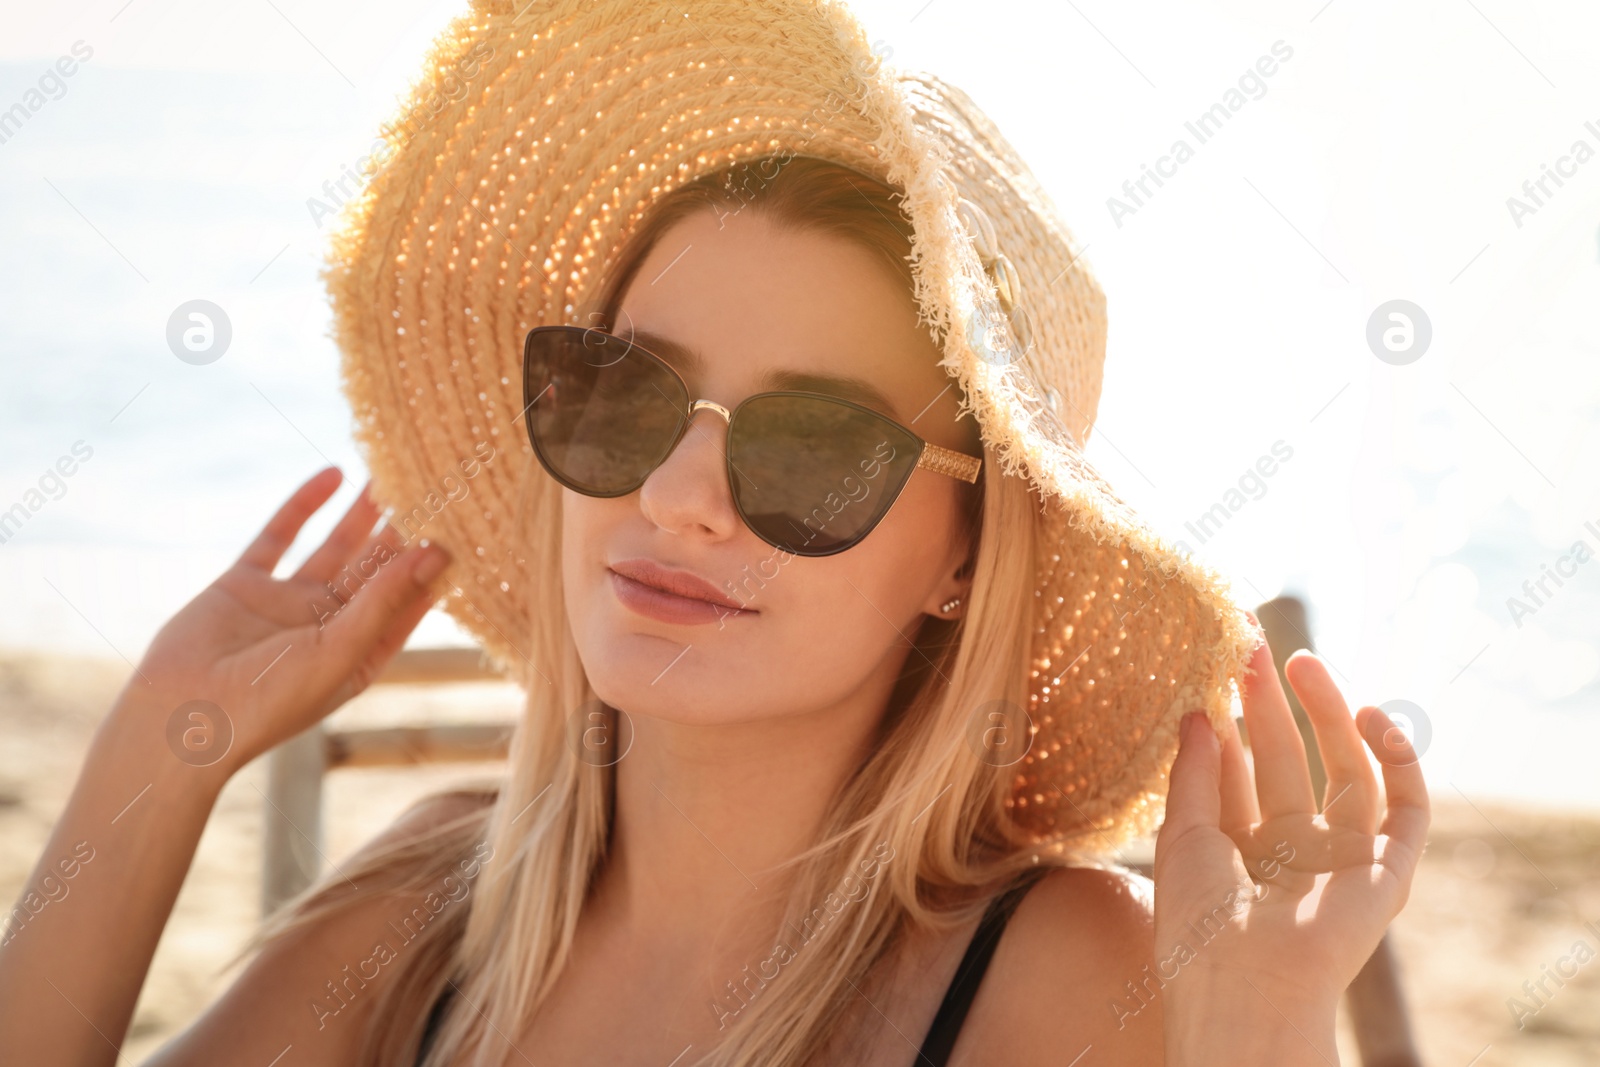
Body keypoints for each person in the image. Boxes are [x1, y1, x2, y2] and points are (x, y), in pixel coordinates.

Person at [0, 3, 1429, 1065]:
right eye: (624, 396)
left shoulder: (1048, 974)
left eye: (810, 446)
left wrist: (1264, 1031)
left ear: (960, 556)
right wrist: (165, 739)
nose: (676, 499)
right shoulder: (434, 917)